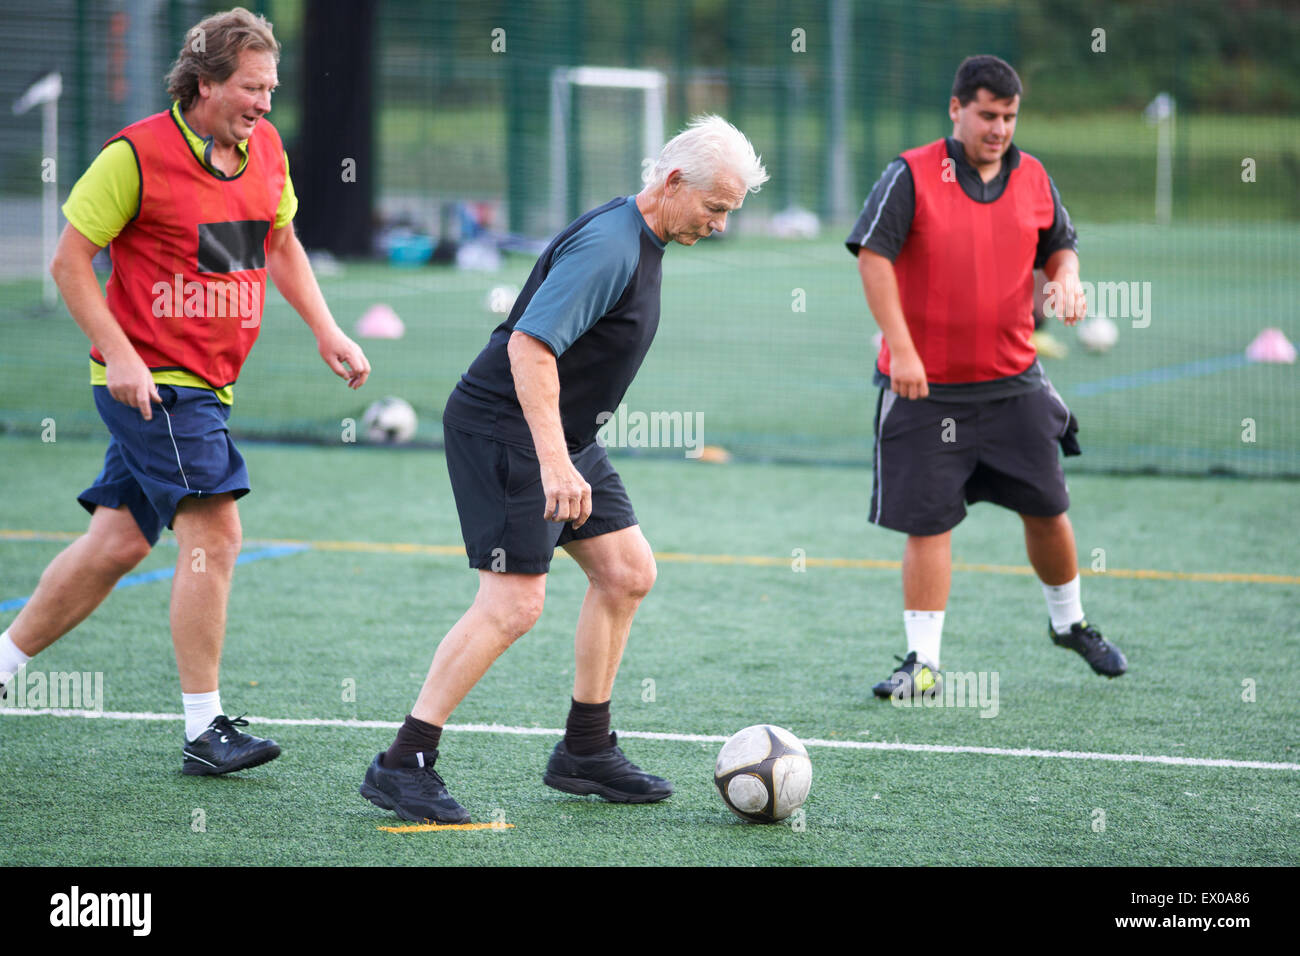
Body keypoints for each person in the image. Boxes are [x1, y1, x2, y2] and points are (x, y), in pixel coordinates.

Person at [360, 115, 768, 824]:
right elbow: (529, 350)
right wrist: (554, 461)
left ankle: (584, 752)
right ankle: (403, 763)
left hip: (562, 433)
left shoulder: (645, 234)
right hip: (508, 428)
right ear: (673, 183)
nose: (721, 224)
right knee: (514, 605)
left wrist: (565, 449)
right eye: (715, 208)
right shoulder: (611, 246)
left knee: (627, 572)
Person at [0, 7, 371, 772]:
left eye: (271, 88)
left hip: (210, 384)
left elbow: (278, 243)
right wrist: (119, 354)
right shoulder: (134, 155)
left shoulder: (264, 150)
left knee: (115, 545)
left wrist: (327, 330)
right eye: (250, 87)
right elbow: (71, 263)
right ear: (204, 84)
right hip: (157, 387)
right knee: (216, 533)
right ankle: (204, 731)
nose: (266, 103)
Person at [845, 55, 1126, 700]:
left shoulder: (1033, 176)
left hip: (1013, 383)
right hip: (923, 389)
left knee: (1049, 509)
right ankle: (923, 664)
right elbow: (874, 259)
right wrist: (902, 348)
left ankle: (1069, 622)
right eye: (987, 115)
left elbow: (1060, 241)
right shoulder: (910, 173)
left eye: (1009, 116)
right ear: (956, 110)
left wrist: (1068, 280)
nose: (999, 128)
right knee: (930, 523)